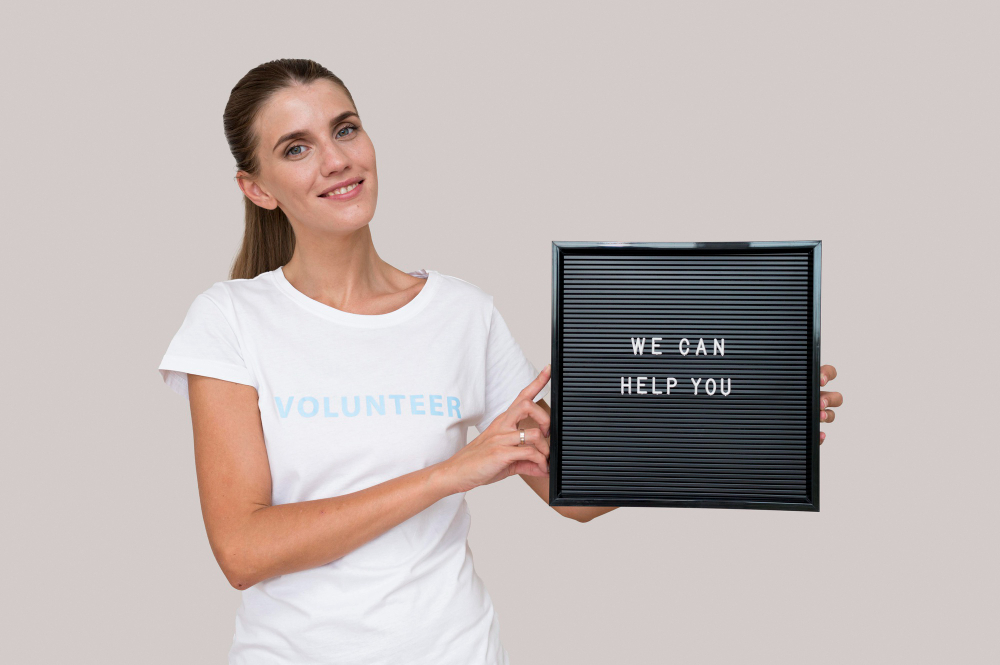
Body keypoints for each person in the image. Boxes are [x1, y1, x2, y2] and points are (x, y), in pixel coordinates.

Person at [157, 58, 844, 665]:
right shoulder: (230, 320)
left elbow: (571, 493)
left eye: (346, 128)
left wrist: (746, 414)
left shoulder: (461, 312)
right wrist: (449, 473)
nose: (336, 159)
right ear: (258, 188)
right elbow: (243, 550)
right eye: (296, 147)